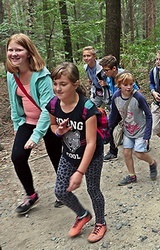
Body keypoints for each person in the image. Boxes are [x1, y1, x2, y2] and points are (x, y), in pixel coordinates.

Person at [47, 62, 107, 243]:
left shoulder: (87, 107)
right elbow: (52, 125)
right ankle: (82, 215)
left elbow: (91, 142)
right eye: (55, 83)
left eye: (63, 84)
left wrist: (80, 173)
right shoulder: (53, 104)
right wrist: (59, 131)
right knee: (60, 191)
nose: (58, 88)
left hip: (91, 156)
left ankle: (101, 222)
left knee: (93, 189)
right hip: (68, 155)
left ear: (74, 84)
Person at [6, 33, 63, 214]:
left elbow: (48, 108)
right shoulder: (11, 75)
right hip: (28, 121)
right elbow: (14, 104)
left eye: (18, 50)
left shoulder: (42, 75)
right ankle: (31, 194)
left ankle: (63, 190)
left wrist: (36, 135)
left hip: (49, 121)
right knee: (18, 157)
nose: (14, 54)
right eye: (10, 50)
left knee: (56, 156)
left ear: (28, 52)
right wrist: (18, 126)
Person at [108, 71, 157, 185]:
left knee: (139, 153)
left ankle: (152, 163)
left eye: (131, 84)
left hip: (140, 130)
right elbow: (114, 115)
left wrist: (147, 135)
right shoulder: (116, 97)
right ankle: (132, 176)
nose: (129, 87)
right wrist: (107, 129)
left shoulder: (138, 97)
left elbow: (149, 115)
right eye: (125, 84)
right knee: (126, 153)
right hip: (127, 130)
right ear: (119, 85)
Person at [100, 55, 139, 162]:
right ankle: (113, 151)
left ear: (114, 69)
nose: (105, 72)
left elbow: (137, 91)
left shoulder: (125, 76)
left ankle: (143, 142)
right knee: (110, 125)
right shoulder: (109, 78)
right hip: (116, 107)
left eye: (106, 70)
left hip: (129, 106)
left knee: (135, 125)